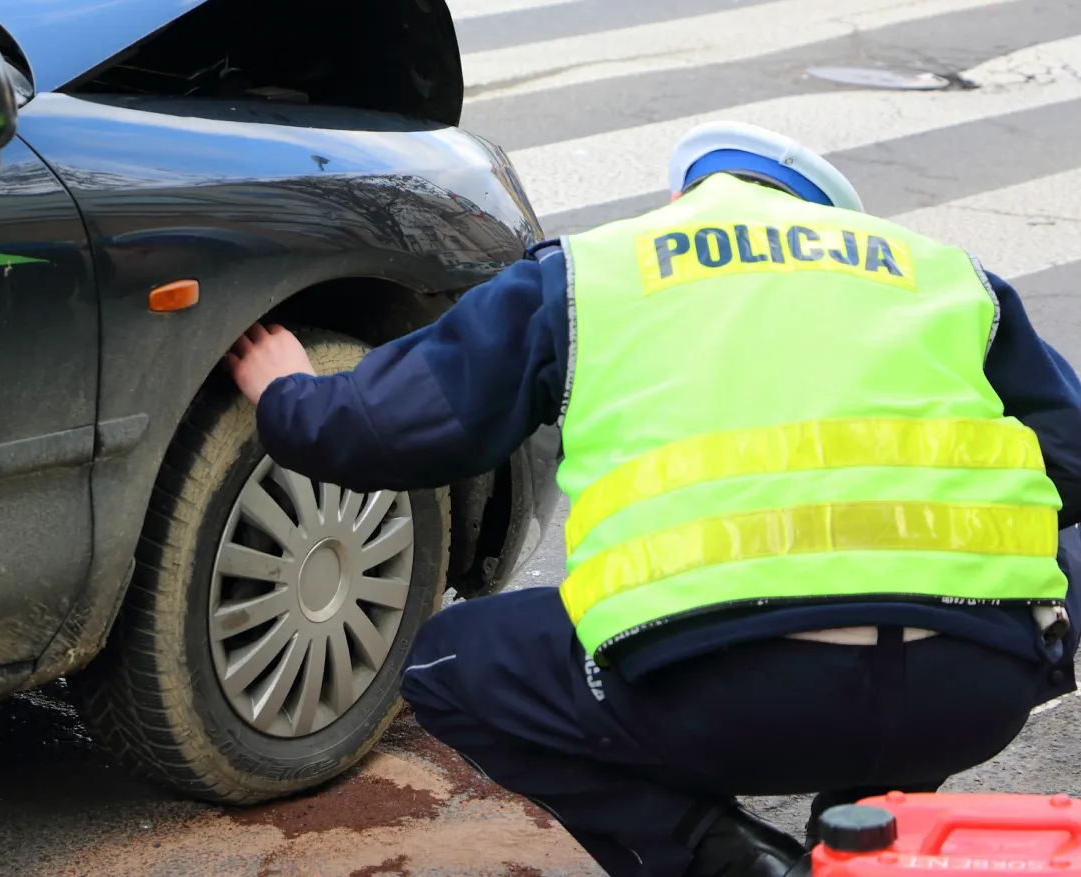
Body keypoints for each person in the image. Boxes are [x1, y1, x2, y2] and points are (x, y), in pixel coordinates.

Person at [224, 121, 1081, 877]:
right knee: (1022, 582)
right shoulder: (941, 274)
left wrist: (291, 396)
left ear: (687, 195)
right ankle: (864, 831)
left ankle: (717, 852)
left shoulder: (595, 274)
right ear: (837, 221)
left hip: (718, 695)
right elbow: (1071, 463)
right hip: (970, 688)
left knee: (448, 663)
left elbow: (386, 430)